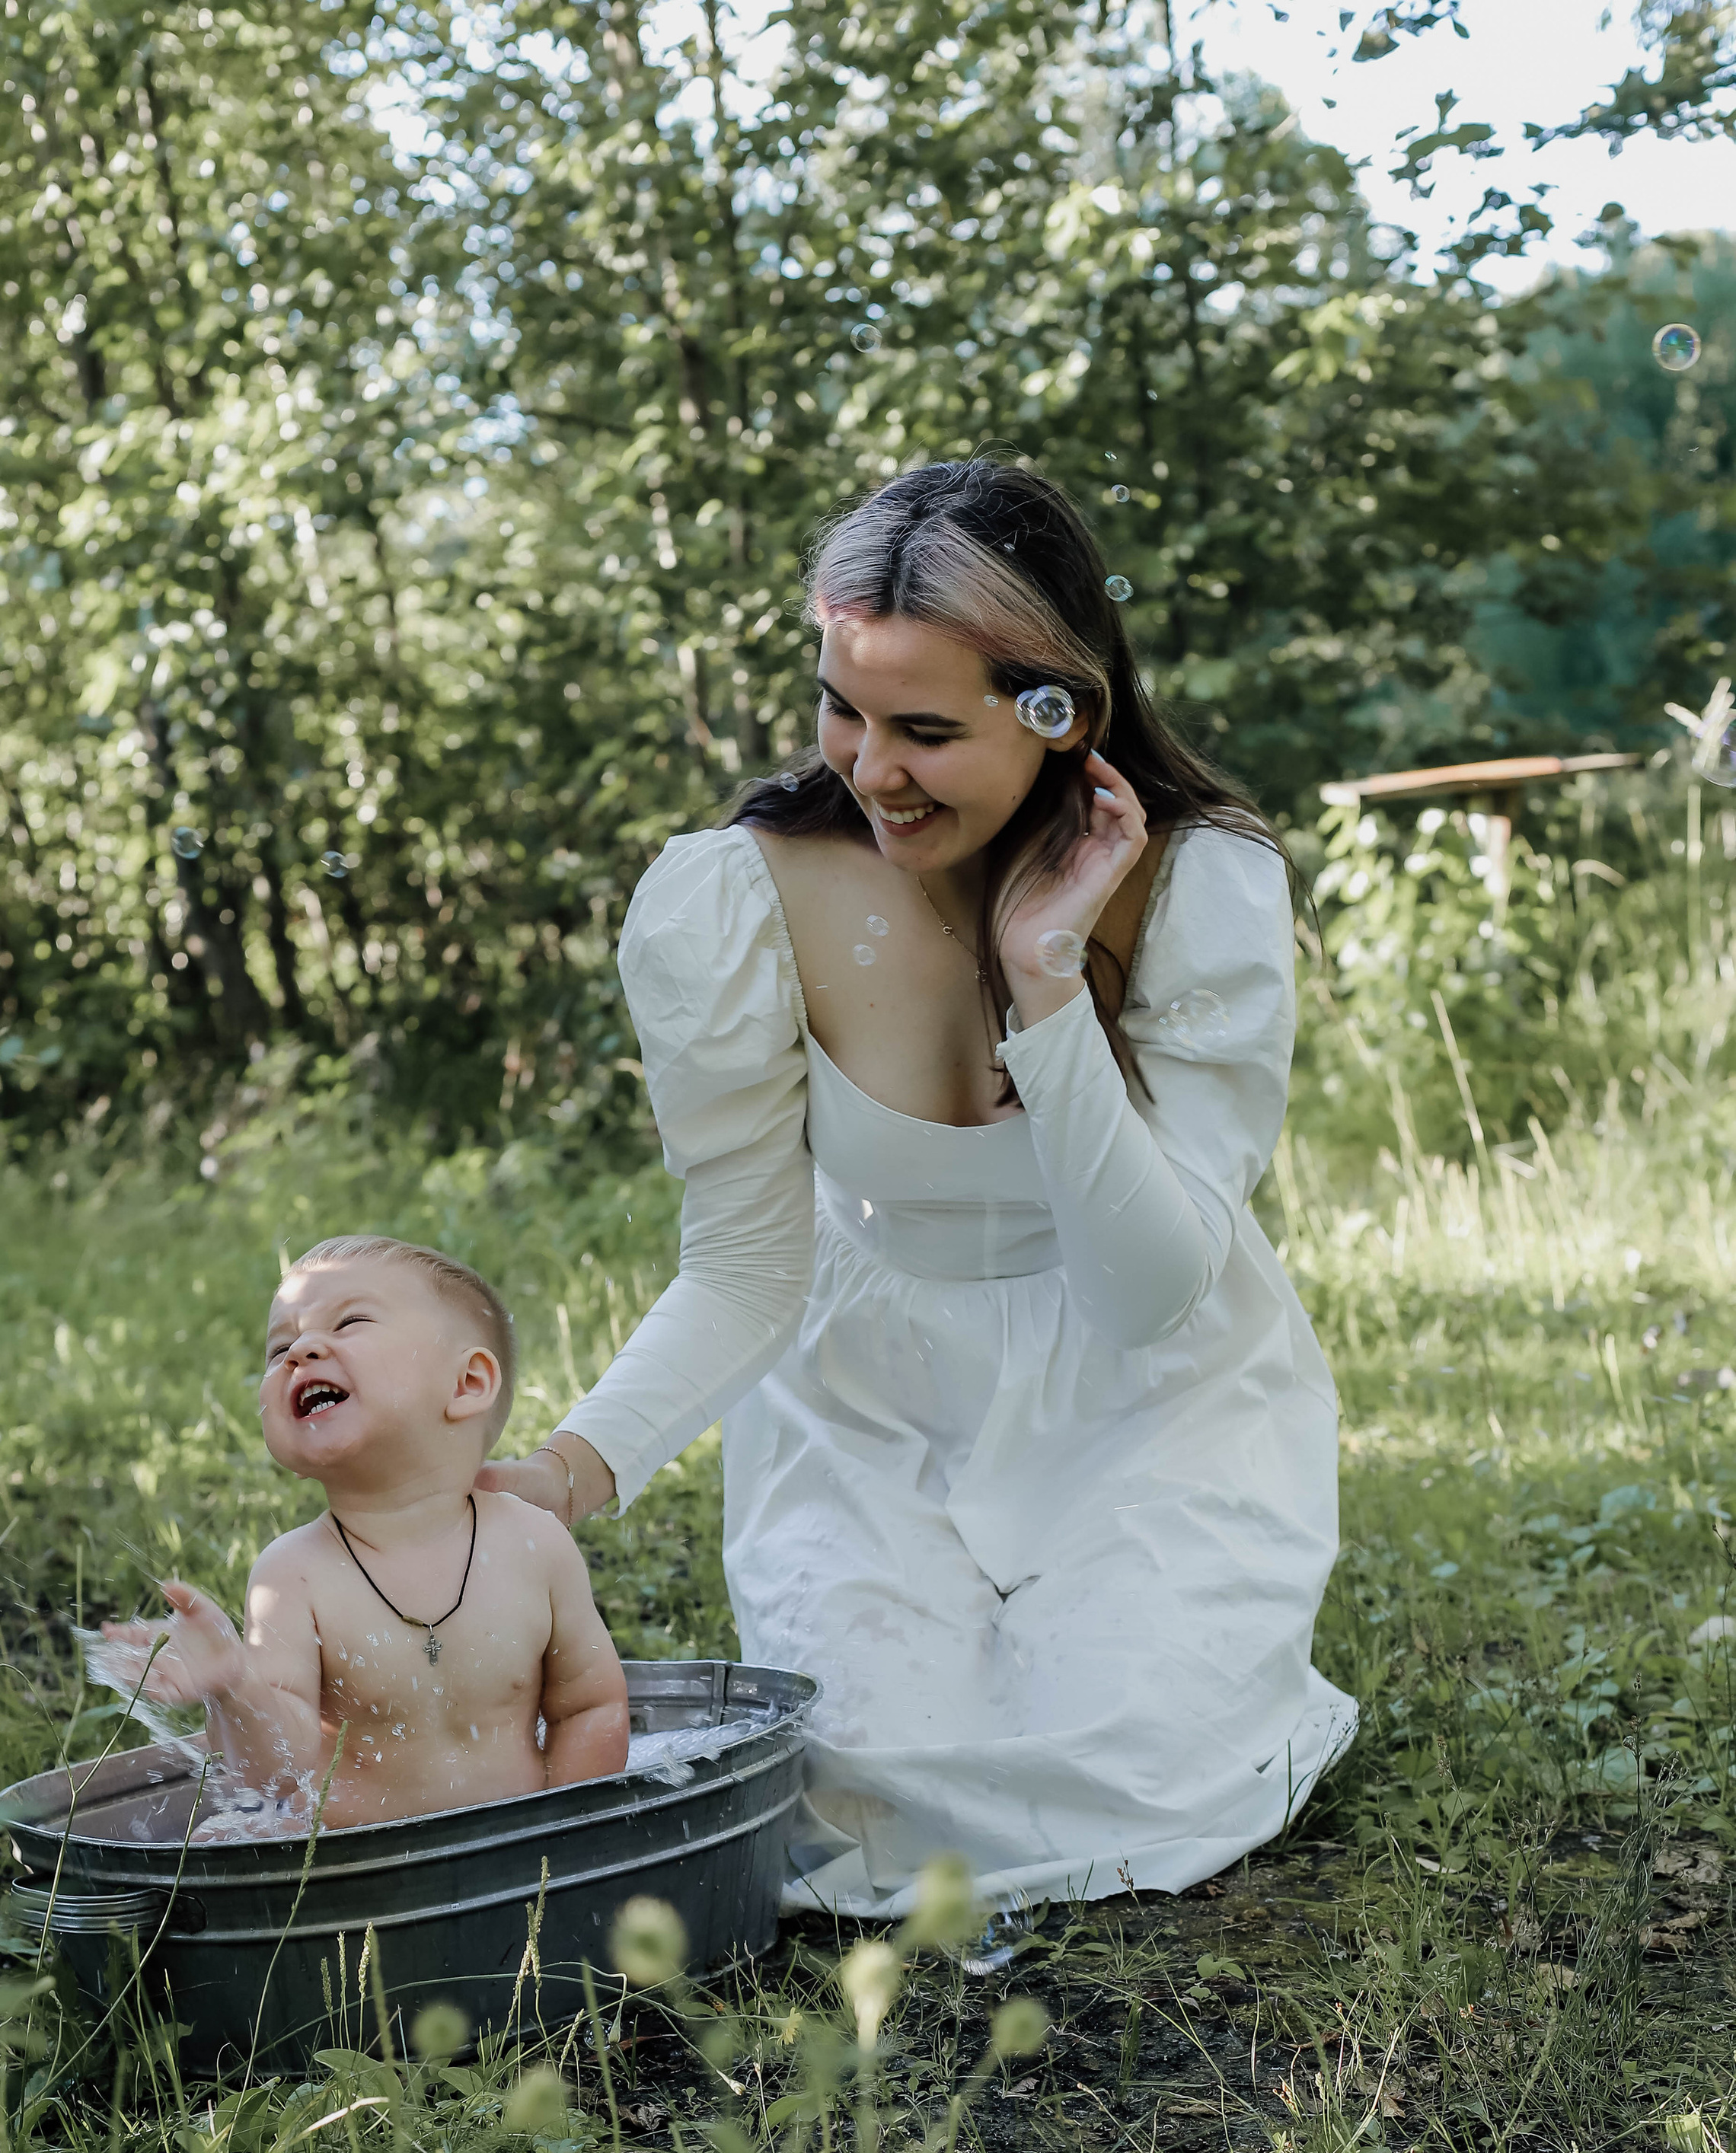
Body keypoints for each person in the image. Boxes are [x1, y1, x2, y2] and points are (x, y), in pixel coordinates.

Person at [480, 459, 1355, 1915]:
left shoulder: (1201, 886)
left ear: (1058, 709)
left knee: (1130, 1772)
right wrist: (562, 1475)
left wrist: (1049, 985)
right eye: (843, 708)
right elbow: (750, 1265)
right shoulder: (740, 894)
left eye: (927, 730)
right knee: (868, 1795)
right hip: (868, 1403)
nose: (870, 770)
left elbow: (1147, 1292)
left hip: (1156, 1396)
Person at [100, 1236, 630, 1827]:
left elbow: (591, 1708)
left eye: (349, 1321)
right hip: (358, 1881)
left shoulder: (536, 1546)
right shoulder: (293, 1574)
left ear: (467, 1384)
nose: (300, 1351)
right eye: (279, 1349)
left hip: (516, 1863)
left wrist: (568, 1833)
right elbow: (276, 1772)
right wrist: (235, 1685)